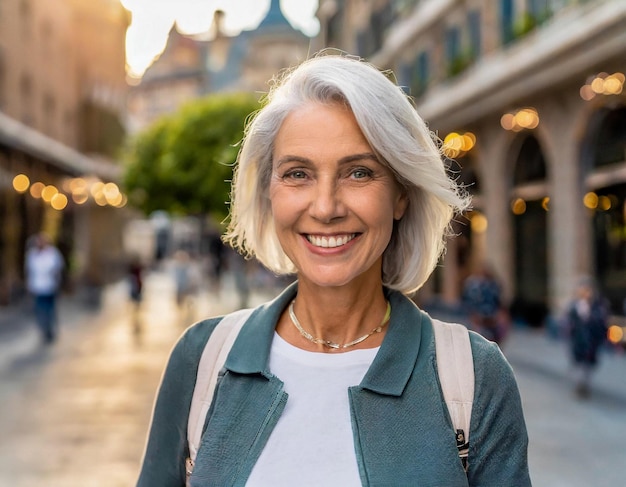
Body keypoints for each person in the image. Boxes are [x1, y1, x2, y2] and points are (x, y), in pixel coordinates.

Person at [137, 54, 531, 486]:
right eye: (298, 173)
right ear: (269, 192)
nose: (325, 208)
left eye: (358, 173)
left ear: (401, 195)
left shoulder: (475, 376)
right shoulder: (201, 359)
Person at [562, 276, 609, 399]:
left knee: (587, 366)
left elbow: (601, 322)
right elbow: (569, 322)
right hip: (578, 341)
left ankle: (584, 385)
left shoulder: (598, 305)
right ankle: (580, 386)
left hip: (591, 342)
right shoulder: (574, 305)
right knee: (579, 365)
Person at [24, 232, 65, 344]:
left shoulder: (53, 253)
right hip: (37, 287)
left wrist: (57, 282)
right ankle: (43, 330)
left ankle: (50, 330)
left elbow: (58, 269)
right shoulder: (32, 255)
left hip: (50, 286)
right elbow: (29, 271)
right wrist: (28, 285)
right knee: (40, 310)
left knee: (50, 310)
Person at [461, 263, 510, 345]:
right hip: (480, 317)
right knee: (480, 340)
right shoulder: (473, 284)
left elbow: (499, 300)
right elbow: (468, 300)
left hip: (490, 317)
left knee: (491, 340)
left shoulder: (493, 284)